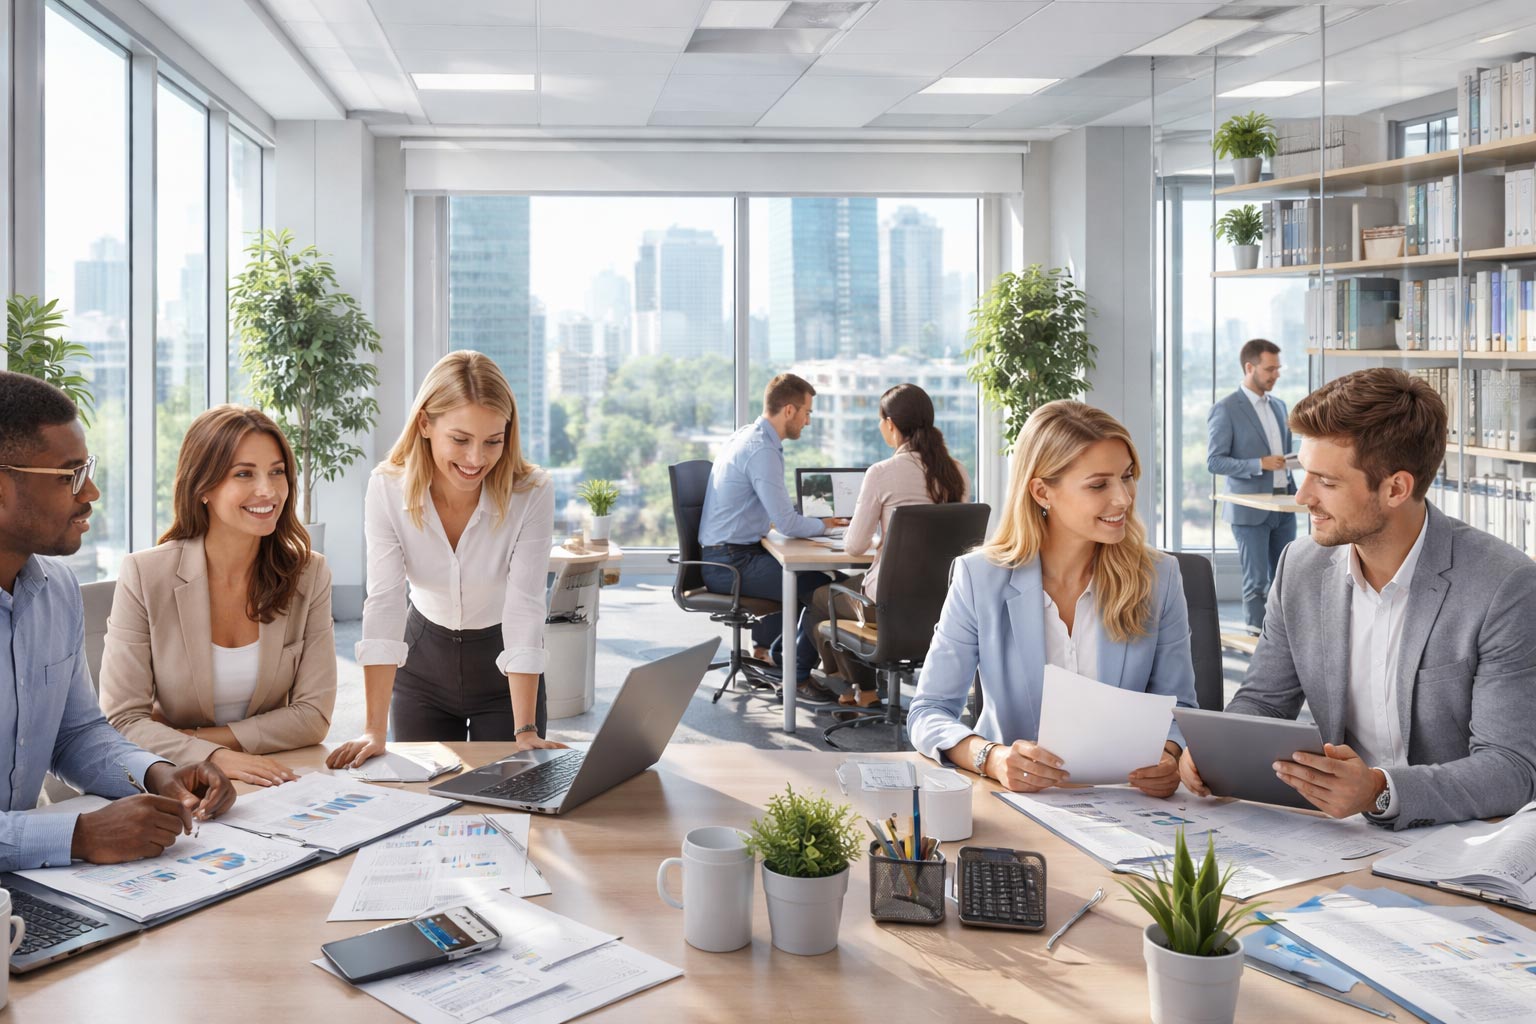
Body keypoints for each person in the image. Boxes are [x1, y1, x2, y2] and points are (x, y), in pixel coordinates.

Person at [1180, 368, 1536, 828]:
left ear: (1395, 488)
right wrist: (1215, 751)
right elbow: (1265, 703)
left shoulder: (1504, 585)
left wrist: (1379, 790)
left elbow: (1510, 768)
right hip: (1338, 835)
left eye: (1326, 482)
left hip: (1460, 839)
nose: (1302, 496)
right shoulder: (1300, 567)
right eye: (1304, 473)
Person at [0, 371, 234, 871]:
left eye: (89, 469)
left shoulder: (55, 590)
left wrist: (155, 772)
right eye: (71, 477)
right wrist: (79, 834)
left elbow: (75, 733)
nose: (93, 493)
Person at [908, 400, 1198, 797]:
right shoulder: (980, 578)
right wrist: (991, 757)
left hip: (1127, 806)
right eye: (1099, 485)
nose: (1124, 499)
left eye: (1127, 477)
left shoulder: (1158, 578)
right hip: (1016, 804)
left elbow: (1180, 710)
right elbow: (928, 712)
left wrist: (1169, 754)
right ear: (1042, 491)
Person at [328, 352, 561, 770]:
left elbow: (524, 604)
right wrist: (373, 729)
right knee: (425, 803)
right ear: (425, 425)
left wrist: (525, 729)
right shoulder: (387, 488)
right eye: (460, 439)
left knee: (512, 792)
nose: (476, 459)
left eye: (493, 441)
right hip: (422, 668)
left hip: (502, 668)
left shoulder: (532, 491)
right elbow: (384, 601)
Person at [98, 406, 335, 786]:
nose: (268, 490)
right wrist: (211, 758)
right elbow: (122, 721)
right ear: (203, 486)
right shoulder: (145, 575)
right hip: (177, 781)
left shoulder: (308, 574)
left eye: (277, 472)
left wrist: (201, 741)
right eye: (244, 473)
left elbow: (313, 717)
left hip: (272, 776)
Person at [807, 383, 970, 707]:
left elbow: (855, 546)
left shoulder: (882, 472)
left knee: (822, 597)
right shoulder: (958, 473)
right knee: (845, 595)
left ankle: (859, 689)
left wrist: (880, 541)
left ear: (891, 424)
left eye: (881, 421)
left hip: (888, 607)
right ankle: (862, 692)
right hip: (944, 606)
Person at [697, 373, 848, 706]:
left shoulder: (748, 437)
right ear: (790, 410)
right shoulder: (761, 450)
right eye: (807, 412)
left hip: (730, 553)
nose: (808, 421)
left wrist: (810, 521)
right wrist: (825, 525)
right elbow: (788, 523)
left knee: (814, 581)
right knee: (822, 589)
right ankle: (797, 677)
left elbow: (773, 513)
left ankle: (783, 659)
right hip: (729, 563)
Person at [1207, 338, 1297, 631]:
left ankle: (1281, 643)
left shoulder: (1280, 406)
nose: (1276, 375)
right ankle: (1256, 646)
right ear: (1249, 367)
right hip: (1250, 510)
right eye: (1270, 368)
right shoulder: (1227, 409)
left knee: (1286, 580)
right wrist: (1259, 464)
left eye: (1278, 368)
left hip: (1284, 506)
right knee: (1256, 582)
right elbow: (1215, 461)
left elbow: (1281, 458)